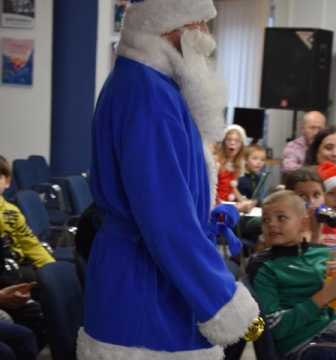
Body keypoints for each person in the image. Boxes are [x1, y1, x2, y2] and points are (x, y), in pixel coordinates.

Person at [78, 1, 259, 359]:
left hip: (151, 279)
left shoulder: (151, 85)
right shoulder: (148, 95)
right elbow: (166, 221)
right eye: (199, 25)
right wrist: (222, 298)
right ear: (169, 26)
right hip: (146, 292)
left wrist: (207, 215)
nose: (206, 37)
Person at [248, 190, 336, 359]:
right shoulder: (265, 268)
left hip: (334, 330)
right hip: (303, 347)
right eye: (265, 220)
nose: (271, 224)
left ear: (303, 223)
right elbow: (271, 328)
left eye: (281, 218)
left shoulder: (322, 253)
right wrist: (322, 298)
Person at [0, 156, 54, 284]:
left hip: (16, 264)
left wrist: (51, 268)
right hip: (5, 269)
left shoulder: (11, 211)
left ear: (7, 182)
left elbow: (30, 243)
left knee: (51, 278)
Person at [214, 125, 255, 212]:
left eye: (237, 141)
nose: (232, 143)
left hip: (227, 204)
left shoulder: (237, 165)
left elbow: (232, 188)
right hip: (216, 205)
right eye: (229, 140)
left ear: (241, 145)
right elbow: (211, 189)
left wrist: (244, 201)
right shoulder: (216, 162)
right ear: (224, 142)